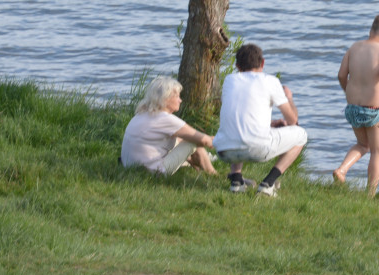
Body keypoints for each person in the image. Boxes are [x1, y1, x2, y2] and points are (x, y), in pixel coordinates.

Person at [213, 43, 307, 197]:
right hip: (257, 150)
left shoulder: (229, 80)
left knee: (236, 127)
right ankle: (268, 184)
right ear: (262, 63)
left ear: (237, 66)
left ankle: (236, 181)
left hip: (223, 150)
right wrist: (289, 98)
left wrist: (269, 125)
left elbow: (240, 115)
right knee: (301, 135)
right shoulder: (270, 81)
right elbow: (292, 120)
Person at [332, 14, 379, 196]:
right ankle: (370, 194)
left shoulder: (354, 48)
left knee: (362, 144)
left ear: (371, 31)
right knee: (377, 151)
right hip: (373, 111)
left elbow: (341, 75)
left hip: (352, 108)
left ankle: (342, 169)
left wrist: (348, 92)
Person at [120, 76, 217, 176]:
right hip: (154, 172)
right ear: (165, 99)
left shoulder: (142, 114)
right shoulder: (164, 119)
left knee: (182, 140)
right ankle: (213, 174)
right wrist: (219, 141)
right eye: (177, 96)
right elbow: (202, 140)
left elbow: (179, 139)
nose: (180, 100)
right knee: (193, 142)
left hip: (130, 167)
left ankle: (200, 164)